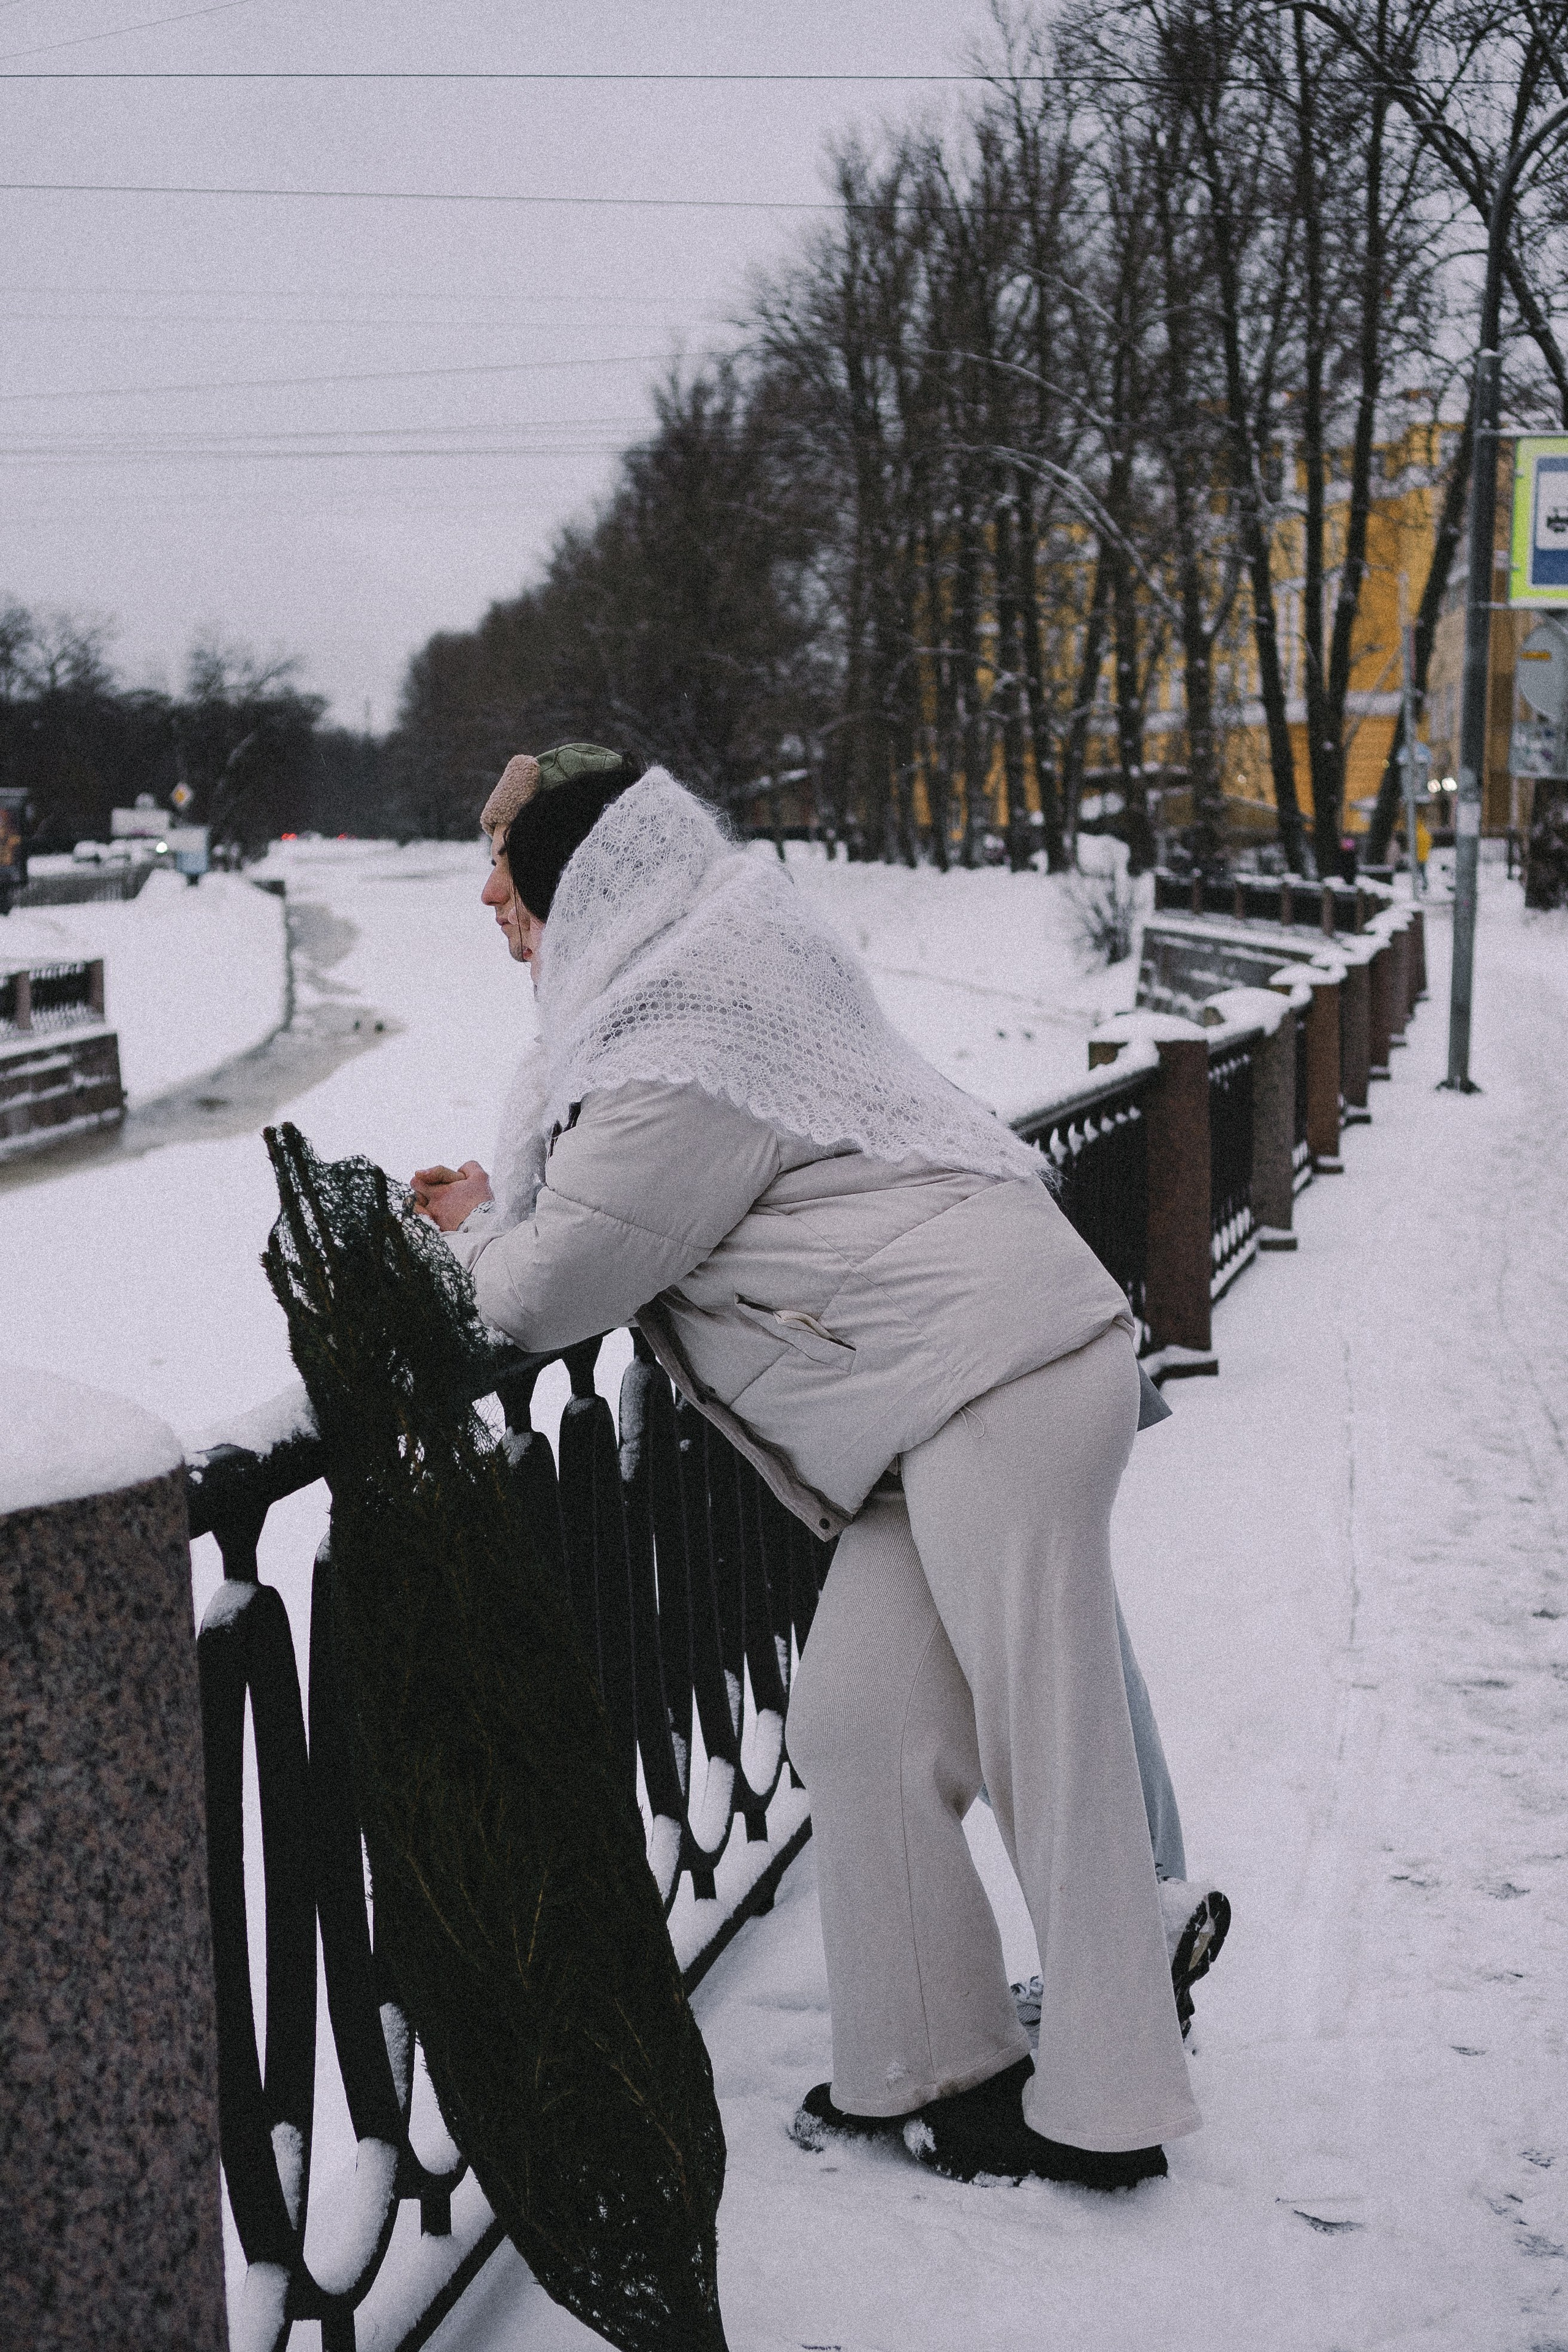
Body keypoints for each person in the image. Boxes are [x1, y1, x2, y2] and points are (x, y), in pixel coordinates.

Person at [413, 745, 1229, 2193]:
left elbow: (546, 1290)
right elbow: (599, 1214)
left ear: (588, 886)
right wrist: (505, 1210)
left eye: (513, 874)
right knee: (859, 1722)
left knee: (1050, 1747)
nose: (489, 898)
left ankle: (1109, 2110)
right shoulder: (701, 981)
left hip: (993, 1378)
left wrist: (470, 1235)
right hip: (948, 1394)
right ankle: (930, 2065)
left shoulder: (682, 1041)